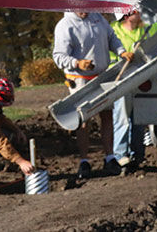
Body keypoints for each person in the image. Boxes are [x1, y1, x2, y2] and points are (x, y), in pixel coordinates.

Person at [53, 11, 134, 179]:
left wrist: (121, 51)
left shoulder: (98, 19)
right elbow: (59, 56)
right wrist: (77, 63)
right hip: (80, 79)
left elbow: (111, 37)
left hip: (101, 77)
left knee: (107, 116)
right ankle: (84, 161)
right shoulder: (65, 25)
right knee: (83, 120)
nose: (85, 10)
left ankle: (110, 158)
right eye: (82, 6)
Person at [109, 7, 157, 174]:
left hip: (139, 80)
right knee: (122, 117)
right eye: (135, 12)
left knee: (138, 120)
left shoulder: (146, 30)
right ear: (125, 16)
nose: (138, 13)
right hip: (121, 80)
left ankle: (137, 154)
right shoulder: (113, 31)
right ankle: (120, 155)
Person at [0, 77, 35, 175]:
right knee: (4, 135)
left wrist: (16, 130)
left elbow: (0, 119)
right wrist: (20, 161)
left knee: (8, 132)